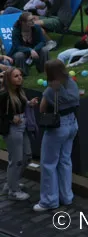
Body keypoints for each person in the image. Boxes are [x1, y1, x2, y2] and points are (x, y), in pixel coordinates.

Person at [31, 59, 79, 211]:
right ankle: (66, 196)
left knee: (49, 163)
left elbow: (42, 108)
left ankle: (49, 200)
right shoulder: (71, 82)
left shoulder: (52, 89)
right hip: (73, 123)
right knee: (65, 160)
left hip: (58, 127)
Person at [0, 66, 35, 201]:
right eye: (16, 76)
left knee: (27, 156)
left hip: (23, 126)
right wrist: (10, 118)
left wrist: (29, 104)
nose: (20, 77)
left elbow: (22, 104)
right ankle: (13, 190)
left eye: (20, 75)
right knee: (16, 160)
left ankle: (12, 182)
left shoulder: (19, 91)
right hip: (12, 129)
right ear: (9, 79)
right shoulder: (4, 95)